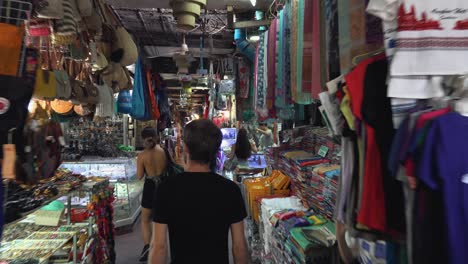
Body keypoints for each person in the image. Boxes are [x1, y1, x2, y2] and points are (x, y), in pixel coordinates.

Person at [149, 119, 249, 264]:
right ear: (216, 150)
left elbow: (158, 247)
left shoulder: (166, 189)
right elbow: (239, 247)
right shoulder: (230, 190)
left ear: (186, 148)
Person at [137, 127, 167, 262]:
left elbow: (139, 176)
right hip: (163, 186)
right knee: (163, 219)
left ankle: (148, 246)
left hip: (149, 187)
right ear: (155, 137)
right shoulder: (163, 151)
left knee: (145, 219)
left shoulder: (142, 155)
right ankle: (161, 246)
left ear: (143, 139)